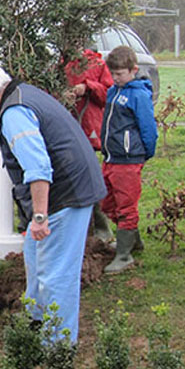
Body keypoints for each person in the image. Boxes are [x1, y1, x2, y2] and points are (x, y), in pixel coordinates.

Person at [0, 59, 106, 342]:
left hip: (64, 197)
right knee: (33, 252)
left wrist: (40, 216)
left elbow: (39, 168)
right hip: (71, 185)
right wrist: (3, 137)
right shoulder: (21, 94)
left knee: (57, 273)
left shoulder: (15, 112)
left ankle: (58, 346)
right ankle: (36, 320)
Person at [99, 46, 157, 274]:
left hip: (128, 159)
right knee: (107, 203)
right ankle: (132, 240)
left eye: (120, 74)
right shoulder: (113, 91)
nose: (116, 78)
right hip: (111, 157)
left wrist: (143, 153)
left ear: (133, 70)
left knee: (126, 205)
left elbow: (148, 128)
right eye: (113, 74)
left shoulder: (138, 94)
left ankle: (124, 255)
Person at [66, 48, 114, 241]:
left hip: (89, 126)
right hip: (69, 124)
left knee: (90, 176)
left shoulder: (97, 64)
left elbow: (108, 94)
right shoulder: (62, 65)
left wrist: (88, 87)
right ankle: (79, 230)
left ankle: (101, 228)